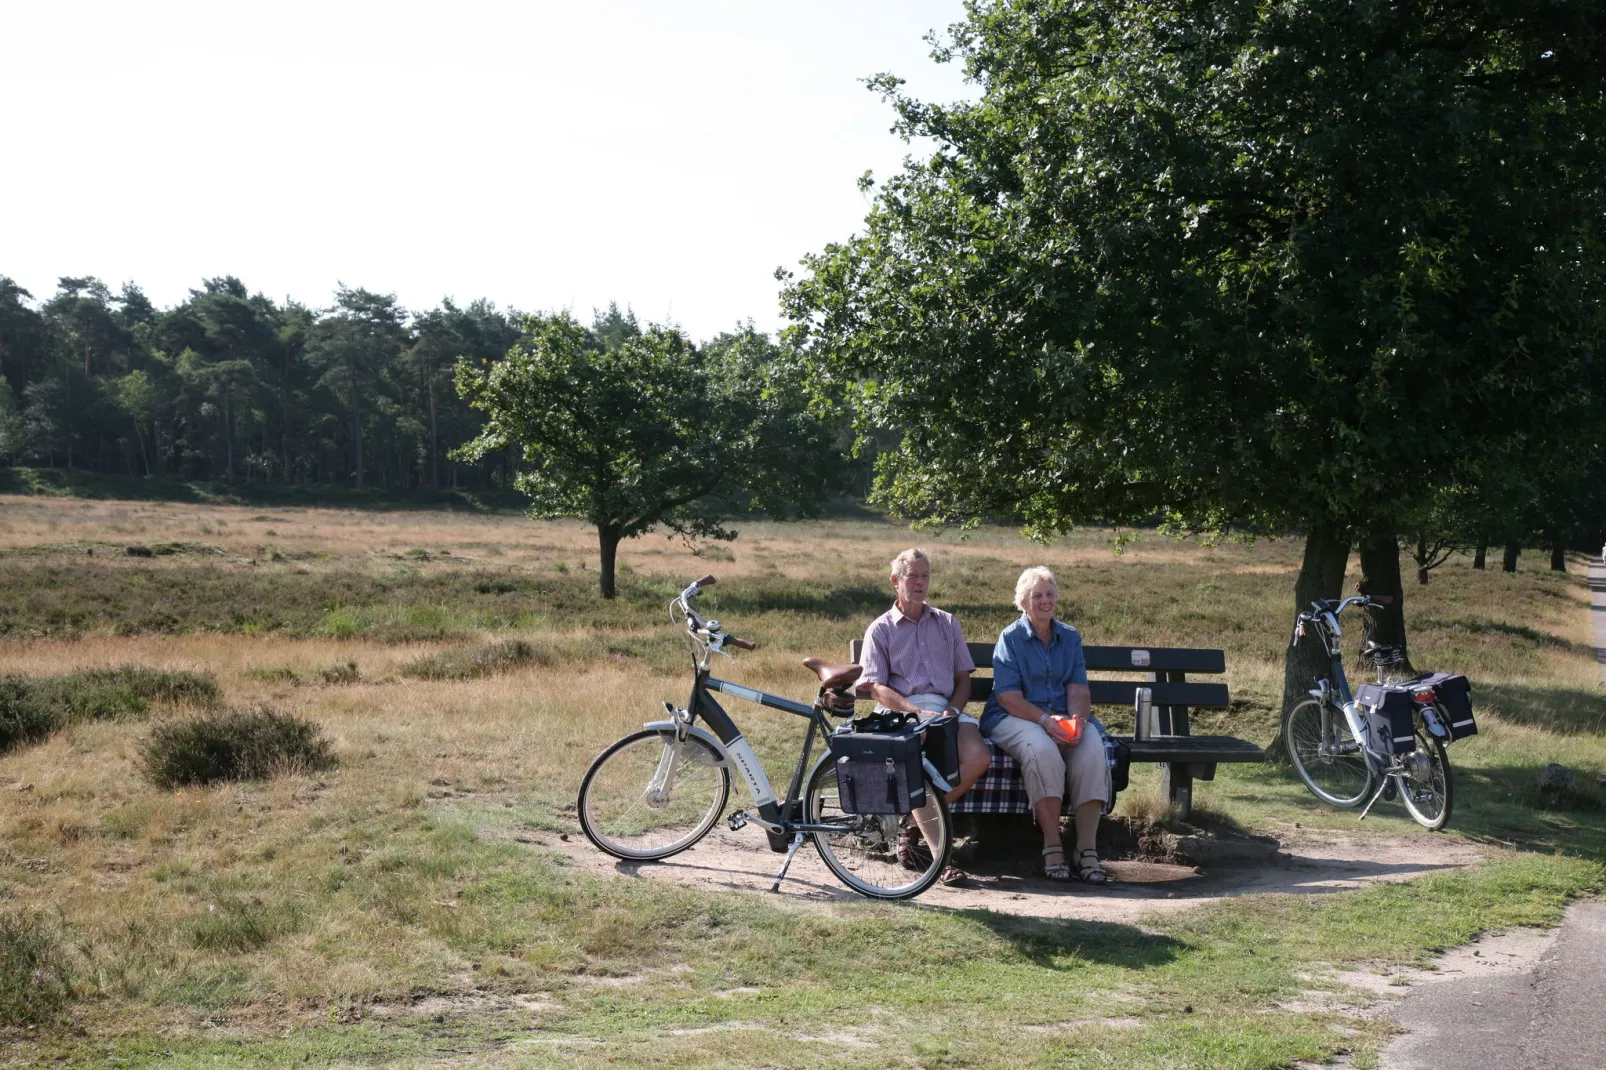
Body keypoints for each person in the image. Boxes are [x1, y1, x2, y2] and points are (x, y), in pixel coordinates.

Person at [859, 548, 992, 880]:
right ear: (896, 581)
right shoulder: (881, 629)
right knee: (913, 765)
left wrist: (952, 710)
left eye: (925, 576)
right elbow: (876, 687)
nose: (919, 583)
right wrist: (913, 710)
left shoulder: (946, 622)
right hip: (901, 710)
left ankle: (910, 815)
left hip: (946, 710)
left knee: (979, 757)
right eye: (912, 576)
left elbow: (963, 679)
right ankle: (941, 861)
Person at [981, 566, 1112, 884]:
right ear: (1023, 602)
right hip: (1014, 716)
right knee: (1042, 749)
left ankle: (1086, 850)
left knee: (1093, 748)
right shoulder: (1010, 638)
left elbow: (1079, 689)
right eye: (1036, 595)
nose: (1044, 601)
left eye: (1049, 594)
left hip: (1061, 716)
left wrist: (1077, 724)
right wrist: (1044, 721)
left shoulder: (1070, 636)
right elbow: (1008, 696)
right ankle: (1052, 846)